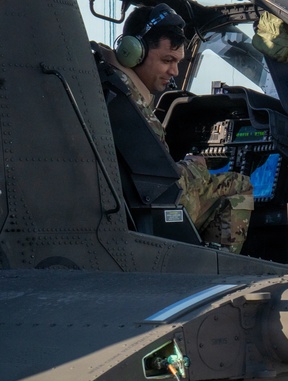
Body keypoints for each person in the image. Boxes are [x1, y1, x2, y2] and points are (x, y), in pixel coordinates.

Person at [96, 4, 253, 253]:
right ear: (133, 52)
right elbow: (160, 183)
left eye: (178, 62)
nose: (175, 71)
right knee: (239, 185)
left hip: (122, 206)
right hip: (148, 214)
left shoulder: (103, 81)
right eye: (167, 60)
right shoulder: (129, 101)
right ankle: (219, 272)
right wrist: (195, 167)